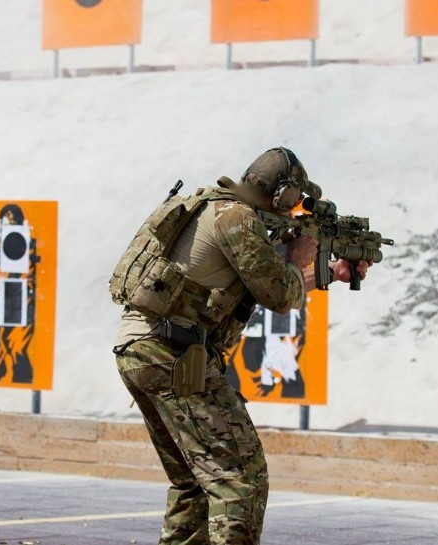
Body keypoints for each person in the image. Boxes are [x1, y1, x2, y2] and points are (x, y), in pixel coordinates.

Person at [110, 147, 370, 544]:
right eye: (295, 202)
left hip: (146, 347)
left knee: (196, 483)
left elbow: (262, 285)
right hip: (171, 353)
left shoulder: (217, 208)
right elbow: (281, 296)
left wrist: (331, 273)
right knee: (241, 479)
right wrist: (300, 254)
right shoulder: (237, 218)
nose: (296, 211)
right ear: (282, 195)